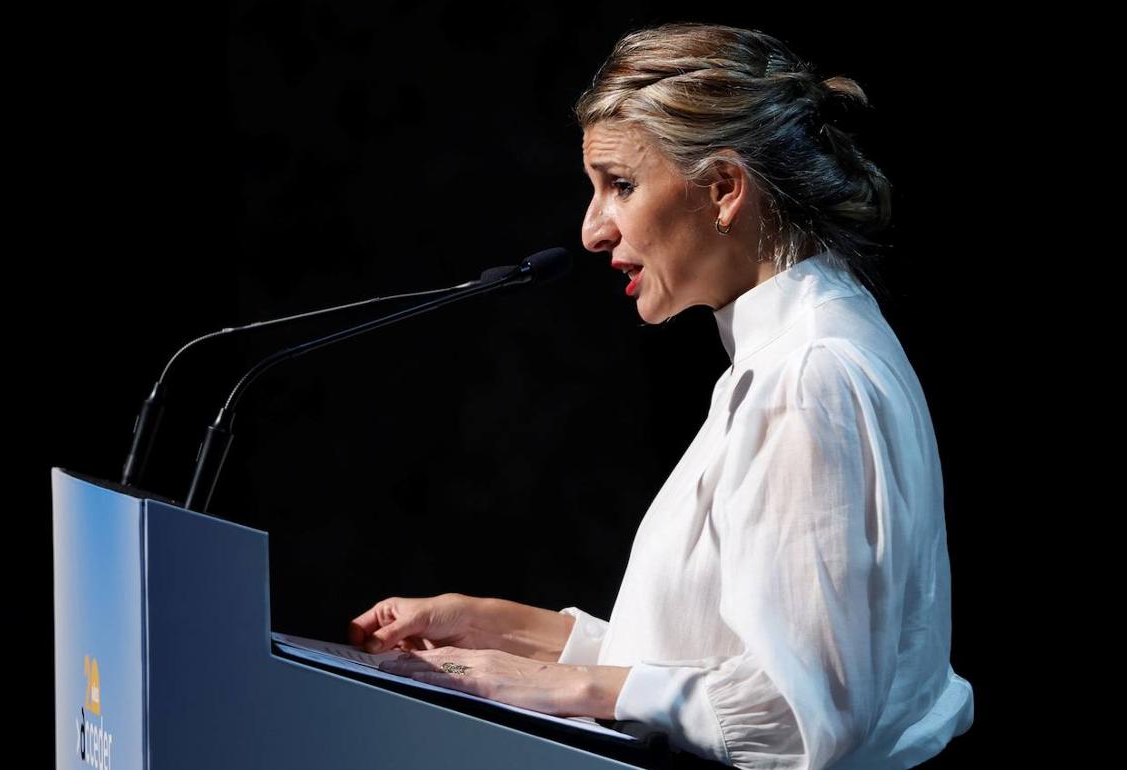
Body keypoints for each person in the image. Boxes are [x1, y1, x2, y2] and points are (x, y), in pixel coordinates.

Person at [348, 22, 974, 770]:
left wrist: (556, 684)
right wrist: (502, 631)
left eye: (620, 184)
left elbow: (805, 715)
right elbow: (711, 664)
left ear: (724, 189)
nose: (591, 230)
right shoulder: (787, 353)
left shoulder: (808, 374)